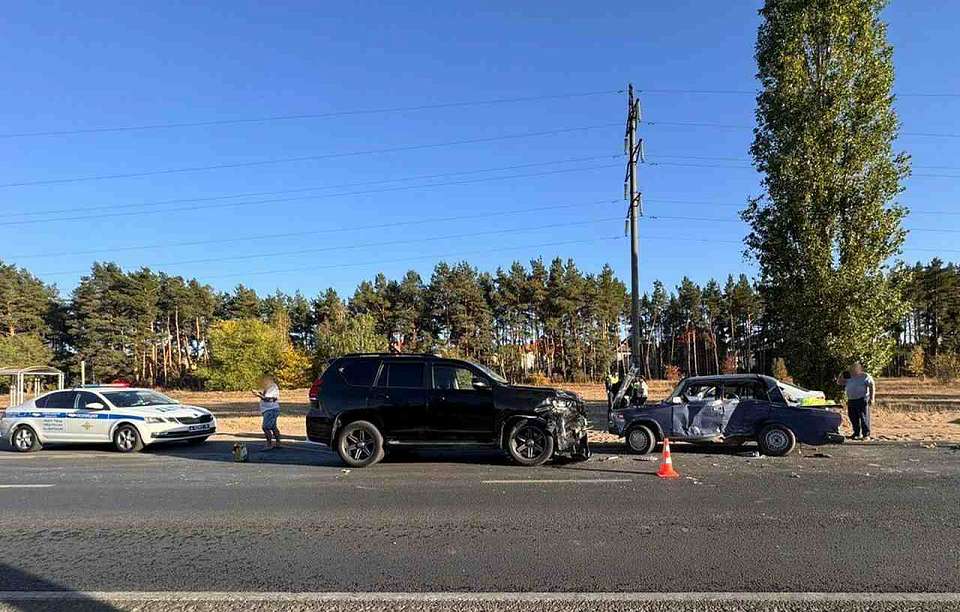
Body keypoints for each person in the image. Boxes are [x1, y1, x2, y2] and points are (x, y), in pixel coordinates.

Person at [837, 362, 875, 441]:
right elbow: (839, 382)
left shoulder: (865, 376)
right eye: (852, 367)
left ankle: (866, 435)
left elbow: (871, 386)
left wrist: (872, 398)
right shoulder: (848, 376)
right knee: (853, 417)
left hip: (862, 399)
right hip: (851, 400)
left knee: (864, 417)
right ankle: (856, 433)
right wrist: (841, 374)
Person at [253, 375, 282, 449]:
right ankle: (278, 443)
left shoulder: (272, 387)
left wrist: (258, 395)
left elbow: (268, 399)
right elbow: (266, 397)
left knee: (265, 427)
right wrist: (260, 394)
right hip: (270, 409)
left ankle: (269, 444)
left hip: (270, 410)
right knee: (273, 427)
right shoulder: (269, 387)